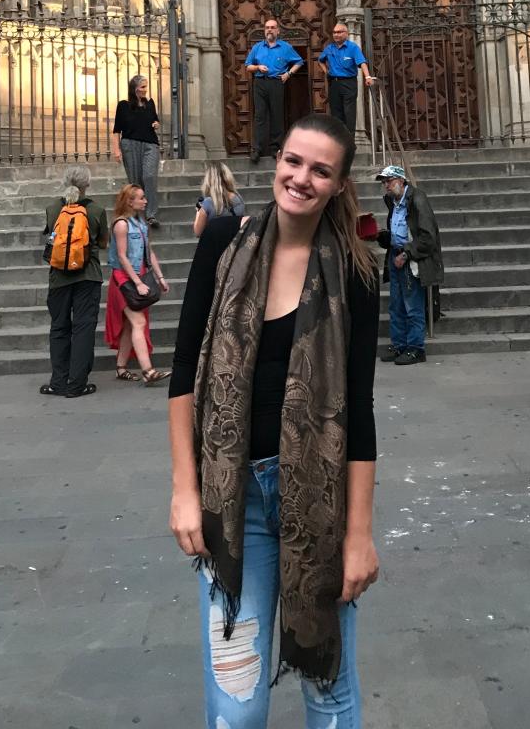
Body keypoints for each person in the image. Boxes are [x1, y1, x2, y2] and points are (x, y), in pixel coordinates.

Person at [168, 114, 380, 726]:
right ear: (277, 160)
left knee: (329, 689)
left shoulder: (355, 274)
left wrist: (360, 536)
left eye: (320, 170)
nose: (301, 178)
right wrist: (185, 491)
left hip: (319, 500)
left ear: (339, 184)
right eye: (293, 161)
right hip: (233, 501)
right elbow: (185, 374)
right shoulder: (224, 241)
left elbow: (359, 412)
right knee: (237, 702)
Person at [40, 166, 108, 397]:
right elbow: (103, 242)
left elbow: (51, 236)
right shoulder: (96, 210)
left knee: (59, 328)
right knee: (83, 328)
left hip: (59, 277)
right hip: (88, 276)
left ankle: (58, 382)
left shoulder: (52, 209)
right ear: (87, 184)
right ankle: (77, 383)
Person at [376, 164, 444, 367]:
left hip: (410, 259)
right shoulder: (393, 201)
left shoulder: (418, 200)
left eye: (388, 181)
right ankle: (399, 345)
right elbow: (397, 231)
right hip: (396, 255)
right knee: (396, 305)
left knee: (412, 305)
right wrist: (381, 236)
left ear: (400, 180)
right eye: (384, 182)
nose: (386, 186)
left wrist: (406, 254)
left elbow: (428, 238)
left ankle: (415, 348)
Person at [105, 184, 170, 384]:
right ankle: (148, 371)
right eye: (141, 198)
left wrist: (159, 277)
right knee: (138, 322)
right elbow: (123, 257)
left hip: (138, 277)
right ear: (130, 201)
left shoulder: (140, 223)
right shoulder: (122, 224)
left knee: (129, 325)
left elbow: (149, 252)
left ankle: (121, 367)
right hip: (123, 280)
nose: (145, 200)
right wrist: (137, 282)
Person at [244, 18, 303, 162]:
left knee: (277, 115)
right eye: (267, 28)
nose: (269, 30)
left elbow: (299, 61)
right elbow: (248, 66)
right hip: (260, 83)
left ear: (278, 30)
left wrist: (288, 74)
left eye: (272, 27)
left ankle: (276, 148)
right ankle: (257, 149)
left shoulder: (285, 47)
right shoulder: (257, 47)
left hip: (277, 83)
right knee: (260, 116)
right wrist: (258, 67)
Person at [112, 75, 161, 228]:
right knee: (135, 181)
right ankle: (138, 214)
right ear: (134, 88)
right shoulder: (123, 105)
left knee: (149, 176)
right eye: (142, 87)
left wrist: (156, 124)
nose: (145, 90)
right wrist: (116, 150)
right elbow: (116, 131)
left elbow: (156, 120)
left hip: (150, 144)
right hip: (130, 145)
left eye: (146, 86)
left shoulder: (150, 104)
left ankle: (151, 214)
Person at [317, 21, 375, 135]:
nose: (336, 35)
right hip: (334, 83)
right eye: (334, 32)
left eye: (339, 32)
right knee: (336, 113)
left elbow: (362, 62)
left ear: (346, 33)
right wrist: (326, 71)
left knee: (349, 113)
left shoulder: (353, 48)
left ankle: (350, 143)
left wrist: (367, 76)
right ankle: (339, 143)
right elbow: (320, 60)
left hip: (349, 83)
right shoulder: (329, 48)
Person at [192, 161, 245, 236]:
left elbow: (198, 232)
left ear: (208, 180)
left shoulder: (207, 203)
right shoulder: (238, 198)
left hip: (214, 245)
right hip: (234, 244)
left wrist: (198, 210)